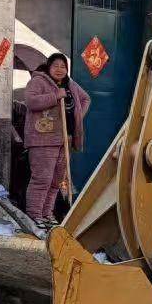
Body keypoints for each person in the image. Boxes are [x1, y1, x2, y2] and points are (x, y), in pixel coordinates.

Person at [23, 52, 91, 226]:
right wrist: (55, 96)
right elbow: (30, 101)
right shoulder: (38, 81)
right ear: (48, 67)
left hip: (64, 139)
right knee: (42, 178)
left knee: (56, 181)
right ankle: (34, 214)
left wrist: (77, 118)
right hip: (42, 139)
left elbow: (85, 99)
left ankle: (47, 213)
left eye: (63, 67)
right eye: (56, 66)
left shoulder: (70, 85)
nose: (60, 70)